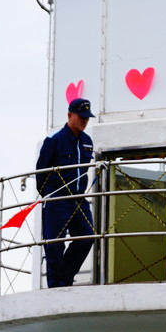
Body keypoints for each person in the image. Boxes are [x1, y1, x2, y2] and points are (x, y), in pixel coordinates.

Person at [36, 97, 96, 288]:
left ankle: (66, 276)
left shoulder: (87, 142)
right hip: (58, 198)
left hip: (79, 199)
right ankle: (56, 284)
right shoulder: (54, 140)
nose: (85, 121)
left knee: (87, 236)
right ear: (70, 115)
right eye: (81, 117)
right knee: (54, 243)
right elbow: (41, 171)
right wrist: (49, 194)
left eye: (87, 118)